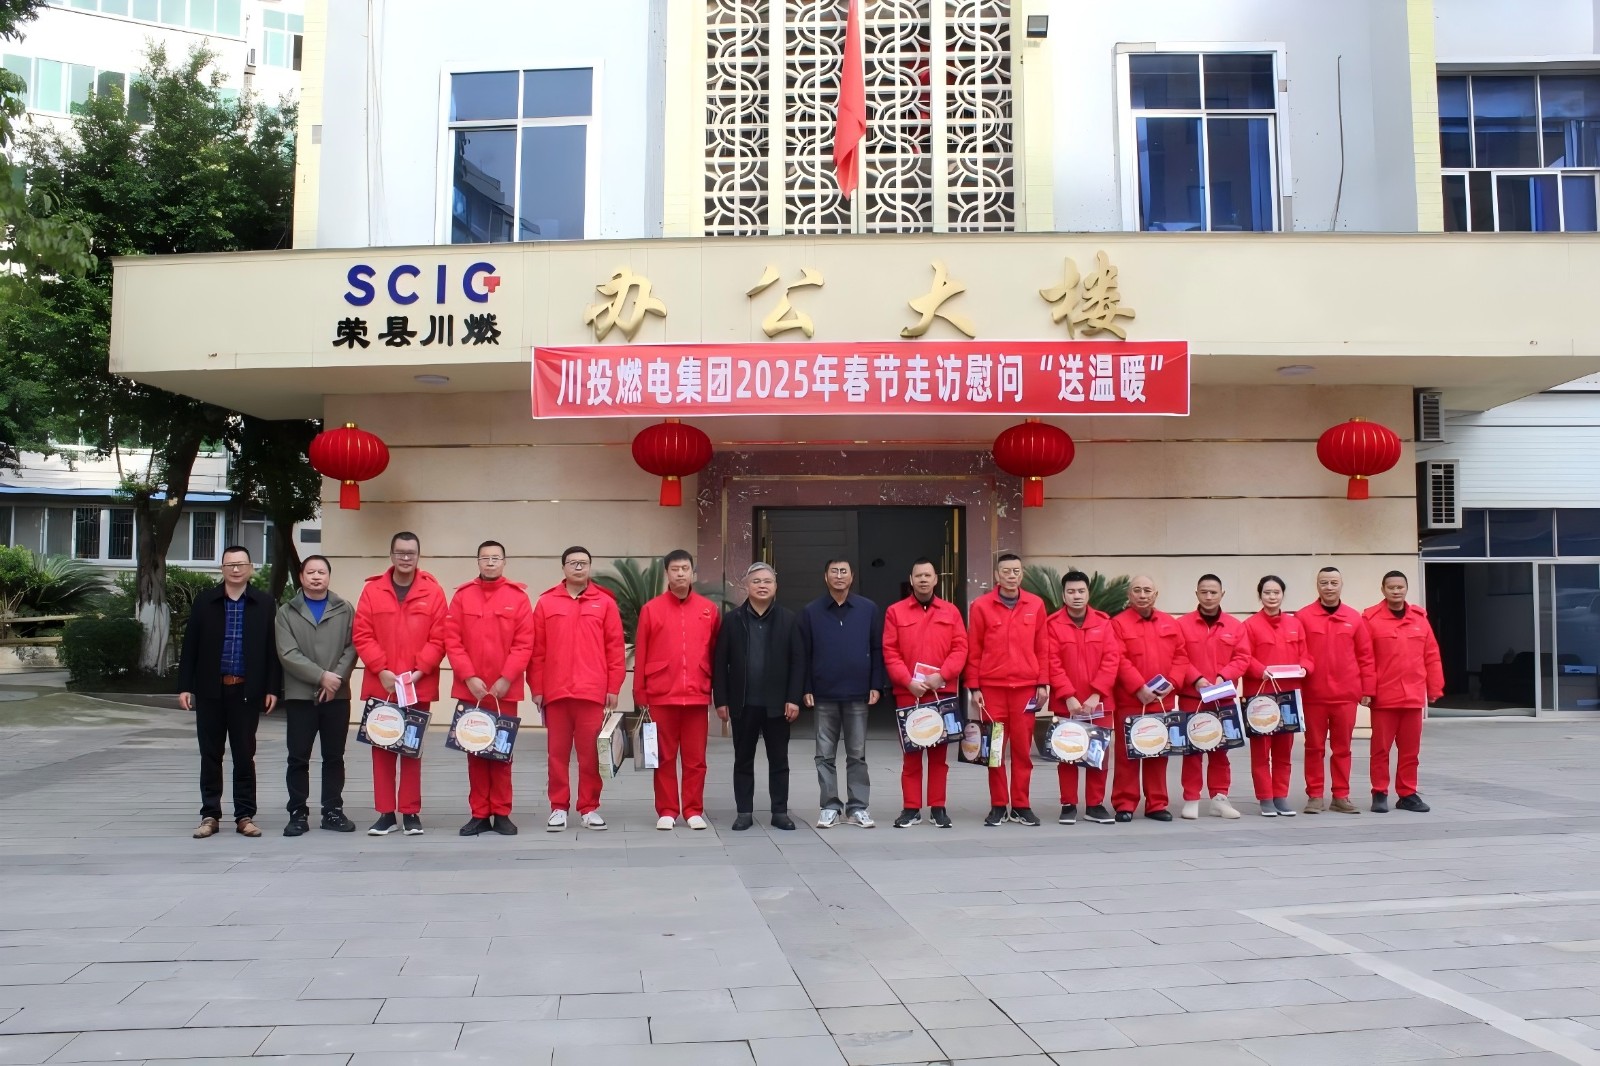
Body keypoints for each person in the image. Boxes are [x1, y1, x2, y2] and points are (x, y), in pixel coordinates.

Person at [178, 545, 281, 839]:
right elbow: (190, 645)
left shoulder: (264, 603)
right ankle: (210, 814)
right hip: (210, 690)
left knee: (244, 754)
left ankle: (244, 815)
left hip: (246, 690)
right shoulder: (205, 601)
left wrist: (272, 688)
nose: (235, 570)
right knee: (210, 754)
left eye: (241, 564)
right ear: (222, 569)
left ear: (250, 568)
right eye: (229, 565)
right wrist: (185, 685)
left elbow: (272, 649)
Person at [352, 531, 449, 836]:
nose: (406, 558)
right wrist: (381, 669)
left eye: (411, 553)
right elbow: (362, 634)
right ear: (391, 555)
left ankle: (410, 811)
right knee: (381, 749)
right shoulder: (372, 591)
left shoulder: (433, 592)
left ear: (418, 556)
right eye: (400, 552)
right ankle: (385, 813)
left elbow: (440, 637)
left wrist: (419, 671)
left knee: (410, 749)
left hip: (417, 684)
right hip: (382, 684)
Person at [529, 545, 625, 832]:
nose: (579, 567)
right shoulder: (546, 603)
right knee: (556, 754)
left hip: (591, 692)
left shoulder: (605, 603)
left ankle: (589, 808)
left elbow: (615, 649)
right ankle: (558, 807)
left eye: (583, 563)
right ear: (563, 568)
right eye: (573, 563)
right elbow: (537, 651)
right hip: (556, 692)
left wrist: (613, 686)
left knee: (590, 755)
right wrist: (537, 688)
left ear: (590, 567)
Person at [445, 540, 534, 837]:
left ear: (504, 562)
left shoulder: (518, 598)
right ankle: (480, 813)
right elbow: (452, 640)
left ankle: (502, 812)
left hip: (503, 690)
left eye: (496, 558)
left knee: (502, 752)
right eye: (486, 558)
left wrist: (507, 677)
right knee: (475, 750)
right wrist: (469, 676)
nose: (491, 562)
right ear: (478, 562)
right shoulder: (462, 596)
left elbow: (525, 642)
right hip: (471, 689)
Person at [793, 559, 886, 829]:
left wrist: (876, 684)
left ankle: (858, 807)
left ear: (851, 576)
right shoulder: (811, 612)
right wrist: (806, 687)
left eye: (843, 571)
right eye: (834, 571)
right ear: (826, 577)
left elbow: (877, 648)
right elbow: (804, 653)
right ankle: (830, 806)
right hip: (824, 694)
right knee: (824, 754)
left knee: (857, 753)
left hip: (858, 693)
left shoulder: (868, 609)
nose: (839, 575)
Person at [635, 549, 722, 831]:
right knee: (663, 757)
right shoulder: (651, 609)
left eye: (685, 568)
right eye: (675, 569)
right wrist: (640, 693)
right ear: (667, 573)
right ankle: (667, 810)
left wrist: (718, 693)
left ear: (692, 572)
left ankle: (694, 809)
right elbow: (642, 653)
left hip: (697, 694)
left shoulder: (709, 610)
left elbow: (716, 654)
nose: (681, 573)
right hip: (661, 694)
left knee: (696, 759)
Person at [274, 554, 357, 837]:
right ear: (301, 577)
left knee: (334, 756)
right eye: (310, 572)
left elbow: (353, 646)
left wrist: (335, 679)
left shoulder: (344, 608)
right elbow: (287, 653)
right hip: (300, 696)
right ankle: (298, 812)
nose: (316, 576)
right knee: (298, 756)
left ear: (329, 576)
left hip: (337, 696)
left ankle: (332, 811)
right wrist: (321, 676)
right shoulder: (287, 612)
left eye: (322, 572)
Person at [882, 557, 968, 829]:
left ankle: (938, 807)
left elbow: (960, 648)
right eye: (918, 575)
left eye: (927, 575)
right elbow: (890, 651)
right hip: (909, 693)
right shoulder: (895, 612)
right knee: (911, 755)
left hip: (941, 693)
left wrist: (942, 676)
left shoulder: (951, 612)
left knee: (939, 756)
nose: (923, 579)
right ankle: (911, 808)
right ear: (911, 580)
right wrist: (907, 681)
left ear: (935, 580)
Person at [714, 562, 801, 831]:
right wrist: (721, 700)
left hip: (778, 705)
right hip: (743, 703)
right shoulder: (732, 620)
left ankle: (780, 812)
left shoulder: (788, 619)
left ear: (775, 586)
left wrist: (793, 698)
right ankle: (744, 812)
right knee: (743, 760)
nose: (762, 585)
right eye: (756, 581)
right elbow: (720, 662)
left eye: (767, 581)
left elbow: (798, 662)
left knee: (779, 761)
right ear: (746, 586)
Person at [966, 552, 1050, 827]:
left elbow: (1043, 647)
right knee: (994, 751)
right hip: (992, 690)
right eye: (1006, 571)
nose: (1011, 576)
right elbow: (974, 648)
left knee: (1023, 751)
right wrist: (974, 687)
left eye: (1016, 571)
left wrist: (1043, 682)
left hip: (1025, 689)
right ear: (996, 575)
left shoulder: (1035, 604)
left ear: (1021, 574)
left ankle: (1021, 805)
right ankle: (999, 805)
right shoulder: (981, 606)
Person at [1045, 570, 1123, 826]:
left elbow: (1111, 659)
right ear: (1063, 595)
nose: (1076, 596)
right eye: (1071, 591)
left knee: (1097, 752)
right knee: (1066, 752)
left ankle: (1095, 805)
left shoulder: (1104, 622)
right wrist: (1068, 695)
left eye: (1081, 591)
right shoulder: (1052, 624)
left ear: (1088, 593)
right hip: (1066, 702)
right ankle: (1068, 804)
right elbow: (1052, 662)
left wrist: (1096, 693)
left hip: (1098, 702)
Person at [1109, 574, 1189, 823]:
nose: (1142, 595)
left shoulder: (1169, 623)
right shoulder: (1118, 624)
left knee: (1158, 752)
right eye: (1137, 590)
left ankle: (1157, 803)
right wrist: (1137, 687)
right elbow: (1118, 658)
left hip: (1162, 700)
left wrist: (1172, 683)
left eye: (1147, 590)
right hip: (1131, 700)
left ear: (1155, 594)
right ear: (1129, 594)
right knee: (1127, 755)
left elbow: (1181, 656)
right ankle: (1125, 803)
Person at [1363, 571, 1443, 813]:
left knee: (1410, 751)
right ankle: (1379, 792)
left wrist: (1435, 687)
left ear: (1406, 589)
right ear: (1383, 589)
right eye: (1391, 587)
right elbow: (1365, 658)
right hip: (1384, 697)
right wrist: (1366, 690)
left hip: (1412, 696)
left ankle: (1407, 794)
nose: (1396, 591)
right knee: (1380, 749)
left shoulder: (1420, 619)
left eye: (1400, 587)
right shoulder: (1371, 619)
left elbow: (1431, 655)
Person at [1297, 566, 1375, 814]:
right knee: (1314, 747)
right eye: (1324, 583)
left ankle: (1341, 795)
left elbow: (1365, 656)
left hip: (1345, 696)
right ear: (1317, 585)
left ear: (1341, 585)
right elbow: (1297, 653)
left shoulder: (1354, 618)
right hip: (1313, 695)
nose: (1329, 587)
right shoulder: (1303, 617)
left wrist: (1367, 688)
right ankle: (1315, 795)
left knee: (1342, 748)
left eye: (1333, 583)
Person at [1174, 575, 1249, 821]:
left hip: (1222, 696)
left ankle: (1219, 798)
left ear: (1222, 594)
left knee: (1221, 751)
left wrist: (1223, 676)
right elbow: (1178, 656)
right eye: (1204, 592)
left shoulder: (1235, 626)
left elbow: (1242, 658)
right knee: (1192, 751)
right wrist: (1196, 678)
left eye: (1213, 592)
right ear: (1196, 593)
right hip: (1192, 696)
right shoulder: (1182, 625)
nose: (1208, 597)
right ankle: (1191, 798)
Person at [1243, 576, 1314, 817]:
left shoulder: (1295, 624)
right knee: (1261, 751)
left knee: (1284, 750)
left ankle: (1280, 796)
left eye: (1276, 592)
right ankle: (1265, 797)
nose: (1272, 597)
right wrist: (1259, 670)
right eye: (1267, 592)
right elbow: (1244, 657)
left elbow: (1306, 655)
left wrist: (1305, 668)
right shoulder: (1249, 625)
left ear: (1283, 595)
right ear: (1260, 595)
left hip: (1288, 697)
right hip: (1261, 696)